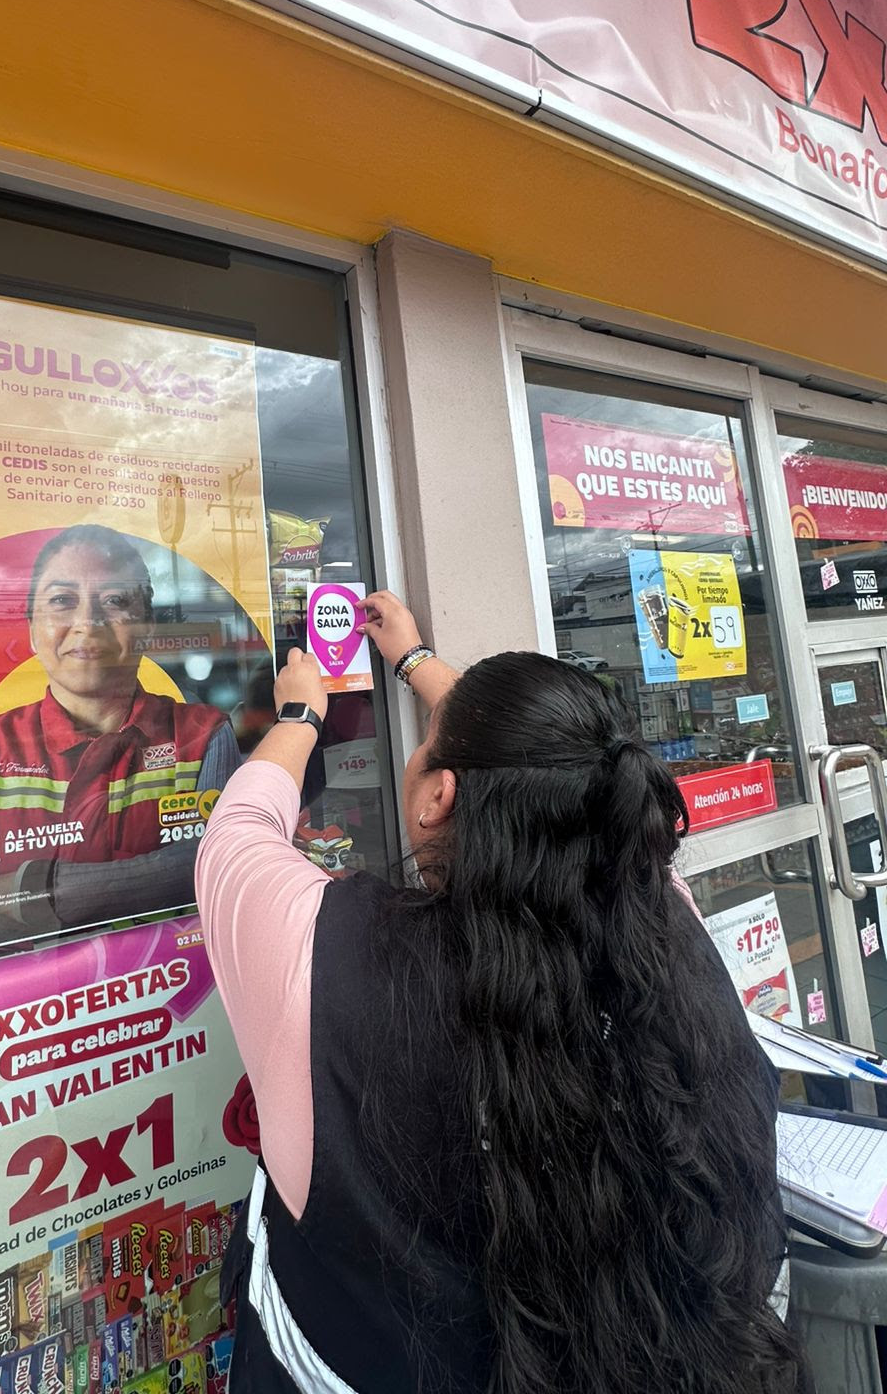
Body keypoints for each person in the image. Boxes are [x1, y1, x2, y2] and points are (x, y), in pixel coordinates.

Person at [196, 591, 808, 1394]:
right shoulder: (666, 922)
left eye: (431, 750)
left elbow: (237, 830)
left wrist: (301, 715)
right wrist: (416, 663)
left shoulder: (325, 959)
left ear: (438, 796)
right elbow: (553, 764)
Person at [0, 525, 240, 960]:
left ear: (147, 626)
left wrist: (40, 892)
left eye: (115, 600)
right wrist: (149, 881)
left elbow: (220, 871)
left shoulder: (202, 736)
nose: (88, 622)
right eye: (61, 600)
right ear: (32, 629)